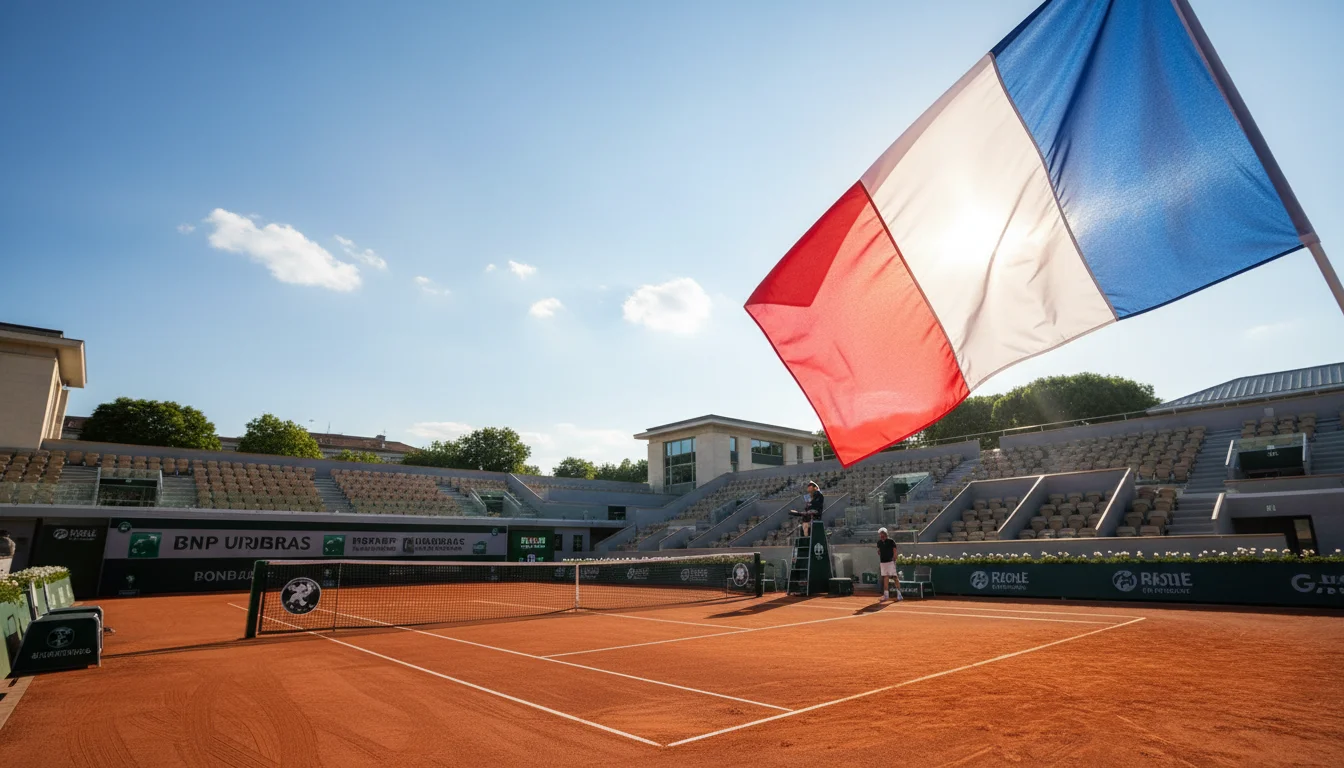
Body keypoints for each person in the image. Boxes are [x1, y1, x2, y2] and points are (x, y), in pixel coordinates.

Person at [876, 527, 902, 602]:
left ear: (886, 534)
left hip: (890, 562)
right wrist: (879, 552)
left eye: (883, 534)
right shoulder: (879, 542)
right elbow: (879, 550)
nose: (881, 536)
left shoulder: (891, 541)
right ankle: (886, 595)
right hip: (883, 562)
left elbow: (895, 551)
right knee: (885, 577)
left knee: (895, 577)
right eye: (880, 535)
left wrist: (894, 558)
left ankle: (899, 595)